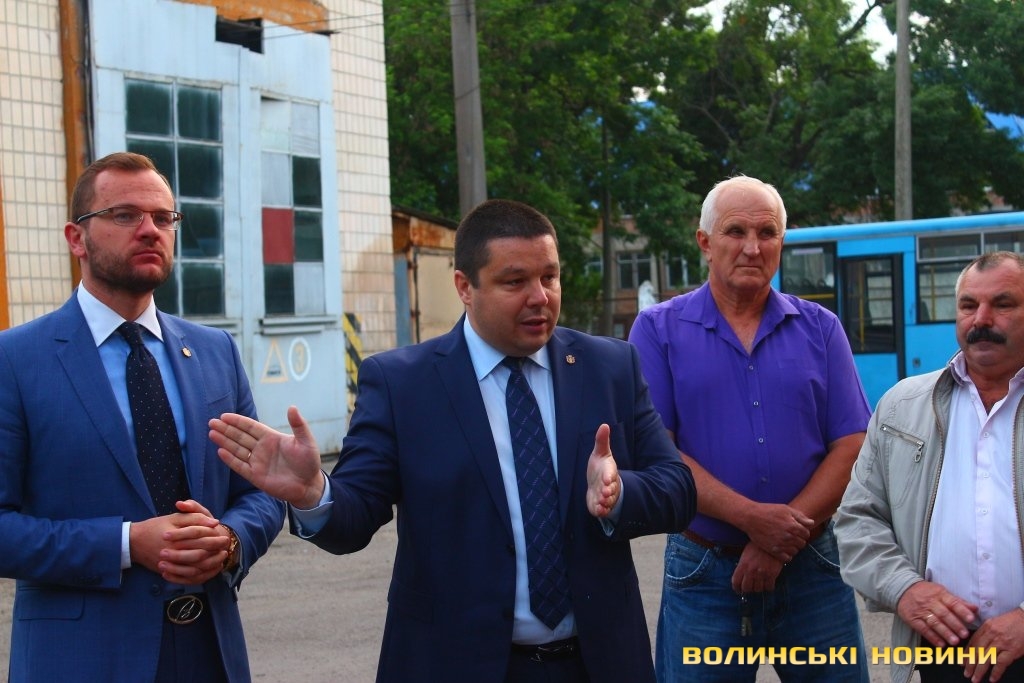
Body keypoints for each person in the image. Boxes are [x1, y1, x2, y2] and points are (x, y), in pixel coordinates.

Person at [209, 198, 697, 683]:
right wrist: (313, 491)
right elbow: (355, 518)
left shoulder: (609, 366)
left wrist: (619, 492)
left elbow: (677, 489)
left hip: (598, 664)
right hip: (454, 663)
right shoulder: (402, 384)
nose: (540, 297)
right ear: (465, 286)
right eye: (515, 281)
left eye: (549, 277)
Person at [0, 152, 285, 682]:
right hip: (82, 660)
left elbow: (261, 490)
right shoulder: (15, 361)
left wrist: (230, 540)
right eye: (125, 215)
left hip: (209, 652)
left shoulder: (215, 351)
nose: (150, 230)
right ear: (77, 238)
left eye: (163, 217)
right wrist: (127, 544)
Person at [628, 175, 871, 682]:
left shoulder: (821, 327)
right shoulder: (657, 330)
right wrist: (754, 520)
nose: (752, 247)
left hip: (812, 569)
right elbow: (656, 450)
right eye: (735, 231)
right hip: (705, 571)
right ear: (704, 242)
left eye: (767, 233)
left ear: (782, 241)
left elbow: (852, 444)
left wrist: (778, 541)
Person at [836, 251, 1024, 683]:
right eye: (968, 305)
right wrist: (904, 589)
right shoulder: (902, 407)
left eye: (1003, 304)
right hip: (939, 655)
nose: (982, 319)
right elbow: (857, 519)